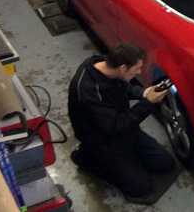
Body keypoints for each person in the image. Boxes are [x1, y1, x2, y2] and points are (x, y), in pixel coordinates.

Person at [68, 43, 175, 201]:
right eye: (137, 69)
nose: (139, 72)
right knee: (141, 187)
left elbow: (124, 87)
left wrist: (144, 93)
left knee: (166, 164)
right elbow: (115, 125)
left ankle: (126, 161)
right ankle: (87, 158)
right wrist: (148, 103)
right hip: (103, 141)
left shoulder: (107, 66)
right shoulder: (89, 91)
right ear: (123, 68)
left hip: (125, 132)